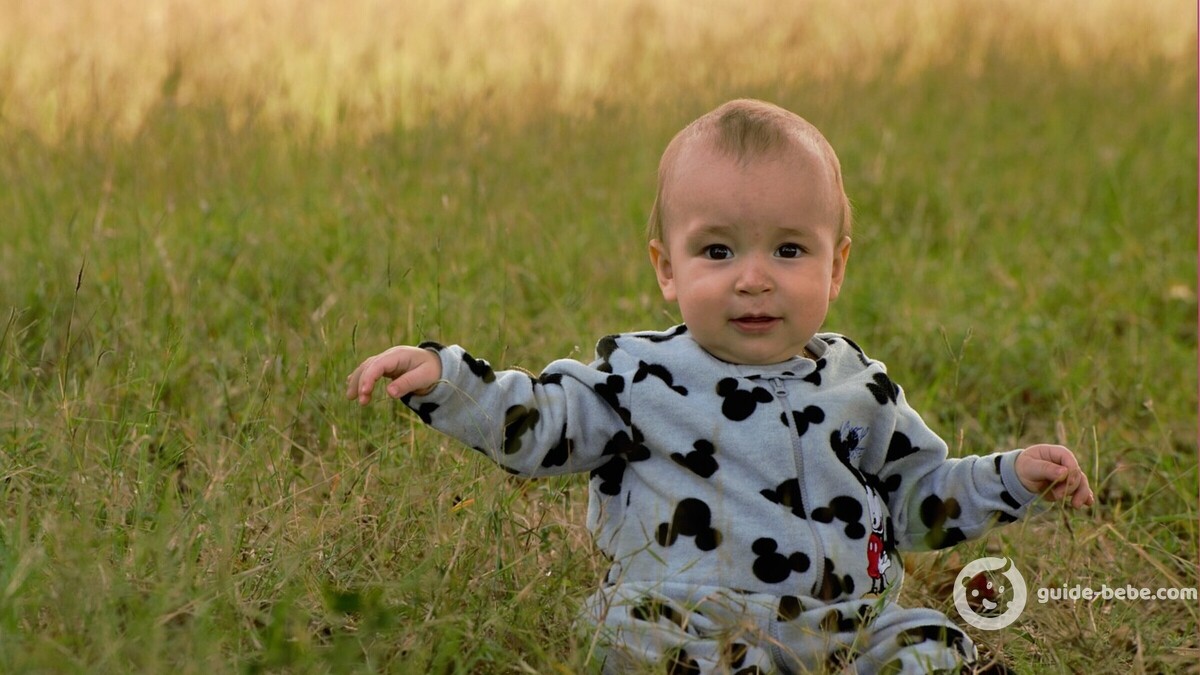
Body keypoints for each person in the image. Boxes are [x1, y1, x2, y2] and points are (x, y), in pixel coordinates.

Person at [345, 99, 1094, 674]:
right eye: (717, 250)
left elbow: (918, 501)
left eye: (789, 249)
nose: (754, 277)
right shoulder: (640, 378)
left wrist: (1010, 477)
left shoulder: (859, 389)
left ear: (836, 267)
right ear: (666, 268)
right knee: (628, 634)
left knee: (932, 642)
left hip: (844, 625)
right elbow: (541, 422)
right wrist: (449, 380)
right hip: (692, 616)